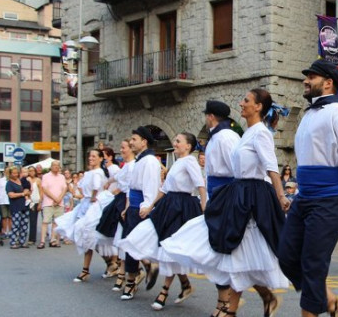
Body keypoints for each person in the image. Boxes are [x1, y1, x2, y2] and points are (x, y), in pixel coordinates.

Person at [163, 89, 291, 317]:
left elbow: (271, 167)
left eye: (246, 100)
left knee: (238, 250)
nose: (241, 103)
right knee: (234, 250)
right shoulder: (248, 132)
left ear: (258, 107)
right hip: (238, 192)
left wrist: (281, 196)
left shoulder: (260, 133)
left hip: (250, 195)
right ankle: (252, 301)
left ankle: (230, 309)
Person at [277, 60, 338, 316]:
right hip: (305, 196)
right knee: (286, 255)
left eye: (312, 76)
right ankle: (330, 301)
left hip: (331, 198)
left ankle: (313, 308)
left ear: (328, 82)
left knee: (312, 263)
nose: (306, 80)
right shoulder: (309, 114)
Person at [119, 132, 207, 311]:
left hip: (182, 206)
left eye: (178, 141)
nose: (174, 143)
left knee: (170, 247)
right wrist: (151, 205)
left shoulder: (190, 161)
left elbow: (200, 185)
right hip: (168, 204)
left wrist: (204, 207)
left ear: (188, 146)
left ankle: (164, 291)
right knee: (149, 236)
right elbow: (165, 189)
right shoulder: (176, 163)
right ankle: (184, 284)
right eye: (175, 140)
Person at [120, 126, 162, 300]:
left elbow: (151, 185)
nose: (131, 142)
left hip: (140, 208)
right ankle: (143, 268)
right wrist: (128, 206)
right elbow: (132, 186)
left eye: (134, 139)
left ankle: (132, 280)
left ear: (144, 142)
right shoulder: (140, 160)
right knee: (129, 243)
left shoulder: (150, 161)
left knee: (132, 243)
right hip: (134, 206)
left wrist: (147, 206)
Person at [98, 139, 136, 291]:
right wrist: (109, 182)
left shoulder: (133, 166)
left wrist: (126, 207)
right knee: (119, 237)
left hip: (126, 201)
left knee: (124, 238)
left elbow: (129, 188)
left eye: (124, 147)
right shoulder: (126, 166)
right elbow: (118, 177)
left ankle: (128, 273)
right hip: (120, 200)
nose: (121, 150)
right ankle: (123, 272)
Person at [67, 149, 110, 282]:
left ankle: (86, 270)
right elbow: (80, 186)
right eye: (89, 156)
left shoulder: (97, 172)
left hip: (93, 207)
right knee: (91, 238)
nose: (90, 158)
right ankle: (111, 262)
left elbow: (97, 187)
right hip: (86, 205)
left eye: (94, 156)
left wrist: (92, 197)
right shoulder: (89, 173)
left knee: (88, 235)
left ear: (100, 158)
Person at [202, 100, 241, 201]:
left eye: (206, 116)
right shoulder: (216, 136)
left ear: (211, 117)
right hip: (215, 188)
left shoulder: (226, 137)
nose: (205, 119)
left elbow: (236, 168)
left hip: (224, 190)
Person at [40, 161, 67, 248]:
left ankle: (53, 240)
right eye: (54, 165)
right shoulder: (46, 176)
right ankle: (42, 241)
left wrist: (59, 199)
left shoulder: (62, 177)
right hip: (48, 202)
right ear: (51, 167)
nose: (56, 167)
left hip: (60, 202)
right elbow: (45, 189)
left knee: (56, 222)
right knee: (45, 221)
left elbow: (64, 188)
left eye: (58, 165)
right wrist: (55, 198)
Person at [6, 166, 30, 249]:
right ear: (10, 174)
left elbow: (27, 188)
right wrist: (22, 194)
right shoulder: (9, 183)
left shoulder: (21, 181)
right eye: (14, 173)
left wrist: (27, 191)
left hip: (25, 206)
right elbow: (11, 195)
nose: (16, 174)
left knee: (24, 225)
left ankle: (22, 241)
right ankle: (13, 242)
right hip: (16, 206)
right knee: (16, 225)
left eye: (17, 173)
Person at [26, 166, 42, 246]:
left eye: (32, 171)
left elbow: (41, 192)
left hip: (35, 202)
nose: (31, 172)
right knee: (25, 220)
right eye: (29, 171)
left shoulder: (38, 180)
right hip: (28, 201)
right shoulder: (26, 180)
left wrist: (40, 203)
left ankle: (32, 238)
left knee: (33, 221)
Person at [0, 167, 11, 238]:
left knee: (10, 217)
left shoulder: (12, 180)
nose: (7, 173)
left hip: (11, 200)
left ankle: (10, 231)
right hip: (2, 201)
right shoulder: (1, 180)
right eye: (6, 171)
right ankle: (4, 231)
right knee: (4, 217)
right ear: (4, 172)